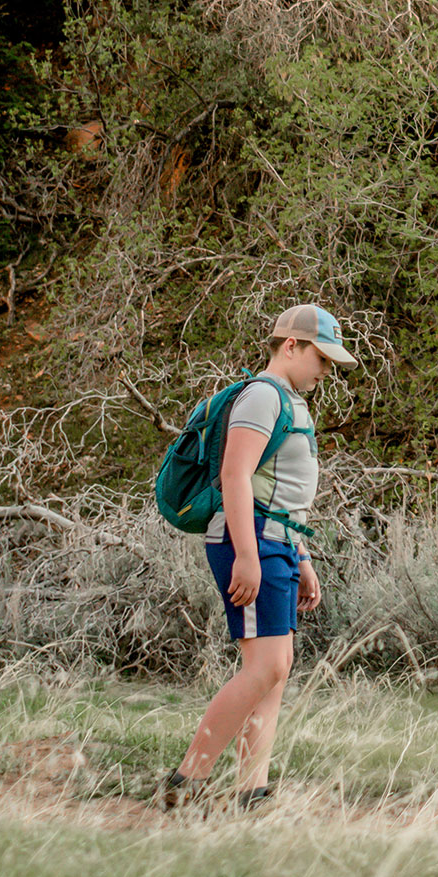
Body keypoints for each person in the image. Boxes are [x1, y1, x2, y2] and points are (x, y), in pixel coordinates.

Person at [163, 304, 356, 810]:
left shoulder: (291, 399)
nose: (326, 370)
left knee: (277, 666)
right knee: (266, 666)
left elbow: (285, 493)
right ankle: (188, 781)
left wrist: (304, 555)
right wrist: (247, 556)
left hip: (279, 541)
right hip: (248, 539)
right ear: (290, 345)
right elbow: (235, 475)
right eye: (321, 357)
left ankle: (253, 790)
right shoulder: (263, 397)